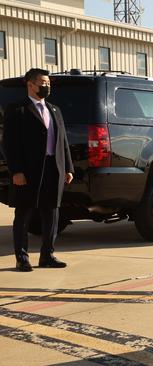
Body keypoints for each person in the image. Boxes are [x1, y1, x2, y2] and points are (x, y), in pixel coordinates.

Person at [3, 68, 74, 272]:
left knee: (51, 214)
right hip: (28, 171)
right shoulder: (17, 109)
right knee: (24, 214)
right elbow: (10, 143)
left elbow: (63, 141)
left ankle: (47, 255)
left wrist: (68, 167)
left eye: (49, 83)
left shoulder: (54, 110)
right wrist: (16, 170)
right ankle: (22, 258)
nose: (47, 86)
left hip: (54, 168)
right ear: (30, 84)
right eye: (43, 82)